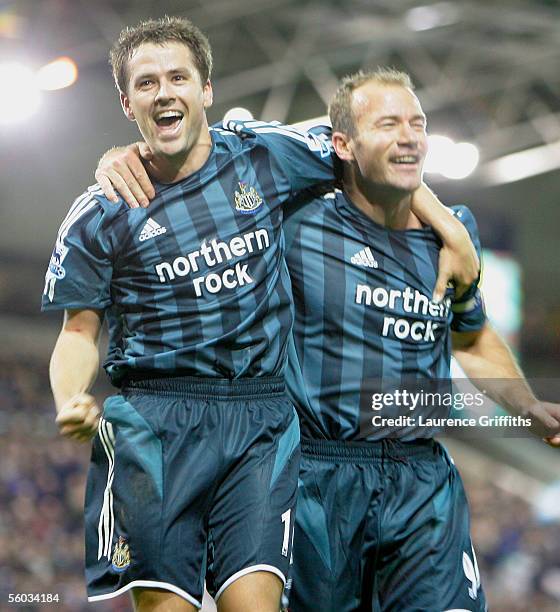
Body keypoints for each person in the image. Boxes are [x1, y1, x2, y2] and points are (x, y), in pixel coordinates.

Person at [101, 67, 560, 612]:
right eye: (389, 123)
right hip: (314, 480)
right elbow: (204, 150)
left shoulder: (453, 236)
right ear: (342, 145)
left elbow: (470, 337)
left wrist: (526, 404)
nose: (410, 136)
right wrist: (127, 156)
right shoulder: (292, 220)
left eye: (417, 123)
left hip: (421, 481)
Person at [43, 17, 476, 612]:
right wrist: (70, 396)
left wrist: (452, 229)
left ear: (207, 90)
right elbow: (78, 331)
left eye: (178, 77)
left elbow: (371, 148)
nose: (164, 92)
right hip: (156, 422)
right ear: (127, 101)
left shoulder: (266, 156)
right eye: (147, 84)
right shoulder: (101, 212)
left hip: (259, 417)